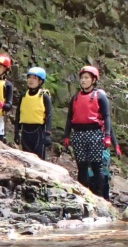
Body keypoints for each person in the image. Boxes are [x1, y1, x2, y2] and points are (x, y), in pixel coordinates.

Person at [62, 66, 113, 197]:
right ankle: (82, 195)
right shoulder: (75, 98)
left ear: (94, 80)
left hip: (94, 133)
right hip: (78, 134)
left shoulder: (100, 96)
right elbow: (69, 118)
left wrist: (107, 136)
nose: (83, 81)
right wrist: (67, 135)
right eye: (82, 78)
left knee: (97, 167)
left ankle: (100, 195)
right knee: (82, 167)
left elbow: (106, 116)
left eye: (87, 78)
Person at [14, 67, 53, 159]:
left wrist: (47, 133)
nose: (31, 80)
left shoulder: (44, 96)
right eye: (29, 77)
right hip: (25, 131)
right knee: (26, 159)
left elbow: (49, 115)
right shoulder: (23, 96)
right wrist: (16, 131)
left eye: (34, 78)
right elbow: (18, 114)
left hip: (39, 132)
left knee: (39, 159)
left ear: (40, 81)